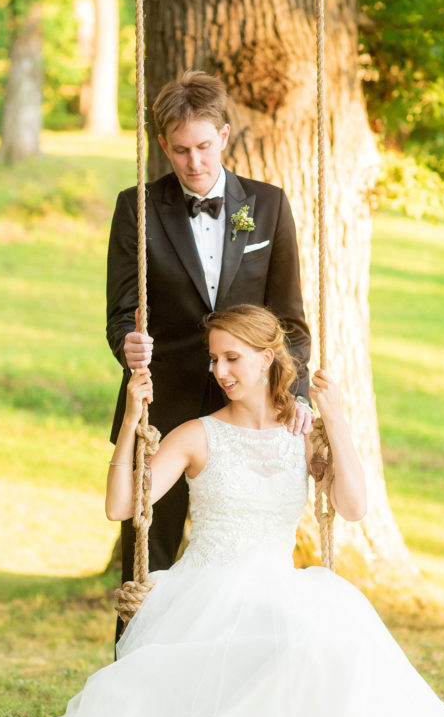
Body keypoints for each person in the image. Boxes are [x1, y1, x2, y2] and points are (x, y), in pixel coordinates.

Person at [0, 305, 444, 717]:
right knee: (293, 644)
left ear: (267, 358)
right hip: (206, 593)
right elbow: (121, 505)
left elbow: (351, 507)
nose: (221, 372)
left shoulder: (302, 431)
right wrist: (131, 420)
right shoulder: (196, 435)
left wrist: (337, 417)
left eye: (233, 358)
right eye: (214, 359)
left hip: (280, 584)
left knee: (333, 638)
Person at [106, 70, 312, 631]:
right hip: (166, 404)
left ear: (223, 136)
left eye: (202, 147)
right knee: (150, 557)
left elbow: (290, 319)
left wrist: (289, 396)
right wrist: (129, 342)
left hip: (251, 412)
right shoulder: (138, 207)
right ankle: (133, 683)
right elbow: (121, 312)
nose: (193, 162)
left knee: (247, 559)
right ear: (163, 146)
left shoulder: (267, 206)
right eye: (179, 151)